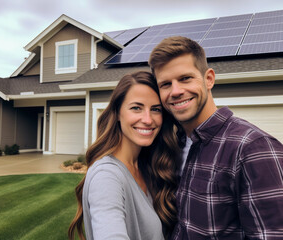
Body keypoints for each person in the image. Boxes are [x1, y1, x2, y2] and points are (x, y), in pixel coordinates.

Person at [148, 36, 283, 239]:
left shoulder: (252, 148)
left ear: (209, 78)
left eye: (185, 78)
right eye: (166, 84)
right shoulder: (177, 145)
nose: (176, 91)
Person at [68, 71, 182, 240]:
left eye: (156, 109)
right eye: (136, 108)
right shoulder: (106, 176)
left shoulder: (147, 167)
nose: (148, 119)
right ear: (117, 113)